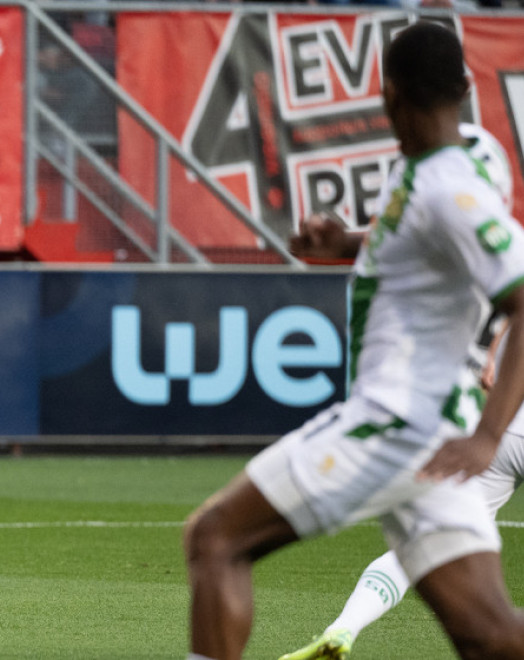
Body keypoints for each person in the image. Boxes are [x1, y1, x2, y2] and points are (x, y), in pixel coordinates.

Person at [185, 22, 524, 660]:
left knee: (216, 539)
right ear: (465, 87)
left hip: (394, 424)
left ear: (390, 96)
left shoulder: (450, 186)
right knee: (492, 636)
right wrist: (344, 244)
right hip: (433, 439)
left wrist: (489, 434)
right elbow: (422, 233)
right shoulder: (451, 165)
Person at [280, 124, 518, 660]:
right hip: (490, 423)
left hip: (503, 428)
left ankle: (345, 626)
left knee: (417, 545)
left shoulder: (479, 236)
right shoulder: (494, 236)